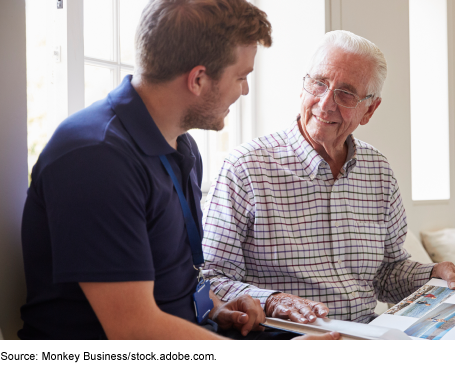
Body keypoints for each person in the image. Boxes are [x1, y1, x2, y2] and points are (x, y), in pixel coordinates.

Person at [19, 0, 336, 340]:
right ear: (198, 79)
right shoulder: (95, 159)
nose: (244, 90)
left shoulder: (181, 146)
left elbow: (172, 276)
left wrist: (215, 307)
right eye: (241, 77)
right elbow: (133, 331)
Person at [201, 30, 455, 325]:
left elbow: (385, 273)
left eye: (345, 93)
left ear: (369, 109)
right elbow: (211, 279)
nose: (325, 103)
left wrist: (431, 274)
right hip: (289, 338)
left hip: (367, 335)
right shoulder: (245, 168)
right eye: (318, 83)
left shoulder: (378, 171)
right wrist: (272, 301)